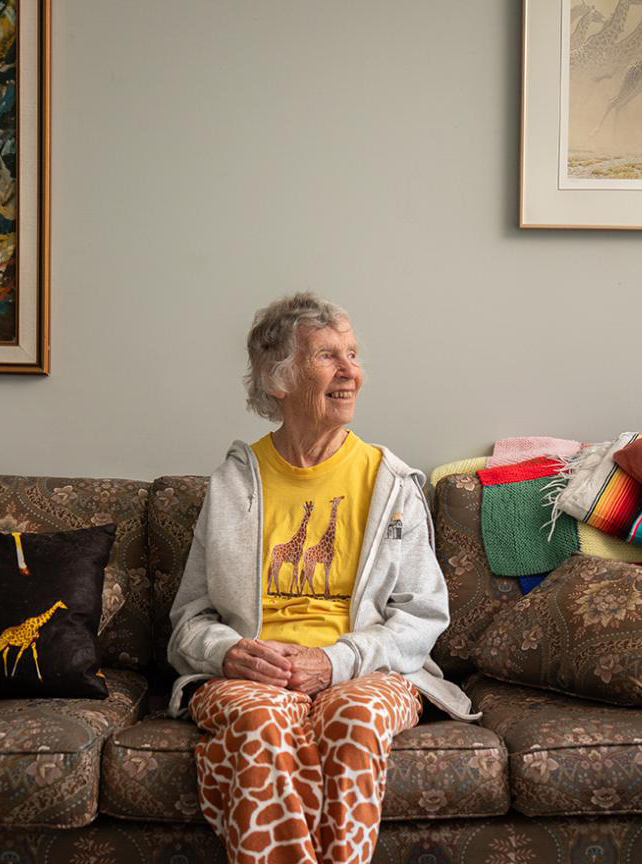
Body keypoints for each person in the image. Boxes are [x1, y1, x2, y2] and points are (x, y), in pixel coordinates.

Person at [167, 293, 479, 864]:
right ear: (278, 379)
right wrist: (230, 652)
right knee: (261, 722)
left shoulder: (390, 482)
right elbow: (189, 620)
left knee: (355, 717)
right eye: (328, 356)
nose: (350, 372)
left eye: (353, 355)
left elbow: (423, 616)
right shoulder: (234, 485)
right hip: (257, 679)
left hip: (366, 674)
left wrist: (336, 662)